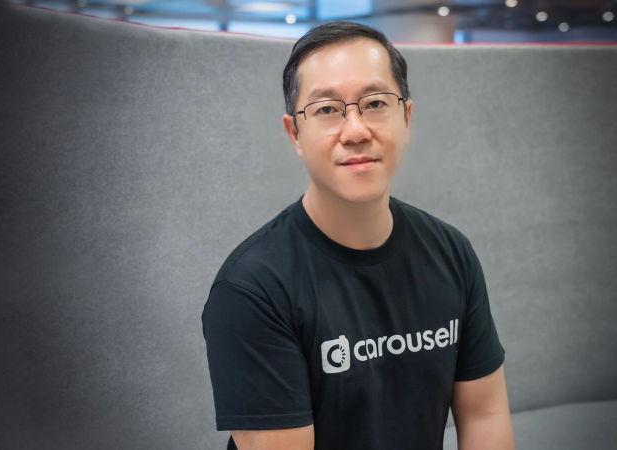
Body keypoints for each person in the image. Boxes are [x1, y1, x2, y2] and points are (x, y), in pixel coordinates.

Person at [202, 21, 514, 450]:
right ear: (294, 133)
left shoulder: (451, 253)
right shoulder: (252, 289)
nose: (355, 131)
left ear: (406, 117)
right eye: (327, 109)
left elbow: (485, 415)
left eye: (375, 103)